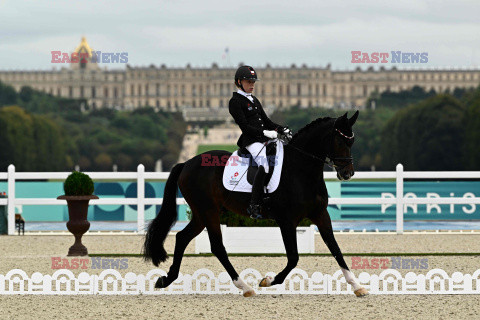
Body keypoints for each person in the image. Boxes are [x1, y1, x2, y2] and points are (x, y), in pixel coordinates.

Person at [228, 65, 292, 219]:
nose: (252, 85)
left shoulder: (254, 99)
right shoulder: (235, 102)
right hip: (251, 141)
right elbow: (244, 126)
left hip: (265, 138)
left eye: (253, 82)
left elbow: (266, 121)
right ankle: (254, 205)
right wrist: (264, 133)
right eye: (249, 81)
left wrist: (281, 129)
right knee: (264, 164)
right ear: (239, 82)